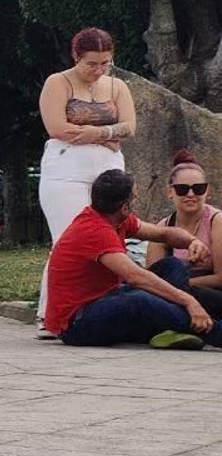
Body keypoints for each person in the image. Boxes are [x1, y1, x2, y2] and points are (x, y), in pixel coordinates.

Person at [46, 169, 219, 348]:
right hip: (77, 323)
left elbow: (162, 234)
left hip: (108, 297)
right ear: (124, 207)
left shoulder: (117, 218)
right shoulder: (95, 230)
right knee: (139, 300)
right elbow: (136, 276)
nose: (137, 200)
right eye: (134, 197)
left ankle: (173, 328)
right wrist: (189, 302)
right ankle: (213, 331)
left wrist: (192, 241)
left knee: (171, 266)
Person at [37, 28, 137, 333]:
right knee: (69, 238)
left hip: (107, 168)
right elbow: (57, 127)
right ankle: (50, 312)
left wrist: (95, 133)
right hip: (67, 170)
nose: (98, 71)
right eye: (91, 64)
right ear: (76, 58)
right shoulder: (59, 82)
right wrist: (107, 132)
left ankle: (100, 303)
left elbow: (129, 126)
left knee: (110, 236)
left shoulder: (117, 86)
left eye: (104, 63)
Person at [145, 150, 222, 319]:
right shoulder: (163, 227)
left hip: (210, 294)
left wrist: (179, 286)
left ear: (207, 190)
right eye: (182, 189)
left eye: (198, 189)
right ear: (170, 192)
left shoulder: (217, 222)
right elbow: (153, 276)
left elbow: (220, 278)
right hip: (175, 295)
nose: (190, 195)